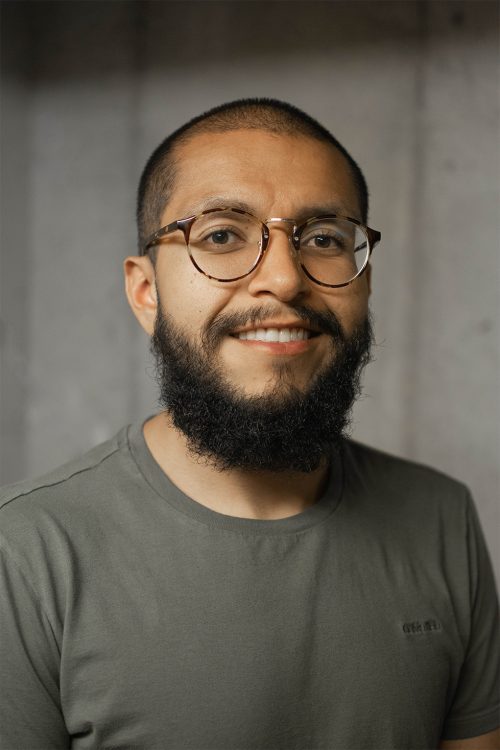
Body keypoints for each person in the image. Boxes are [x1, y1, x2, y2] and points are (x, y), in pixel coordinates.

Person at [0, 98, 498, 750]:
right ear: (146, 293)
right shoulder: (25, 555)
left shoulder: (441, 518)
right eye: (221, 235)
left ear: (366, 284)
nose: (285, 279)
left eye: (322, 239)